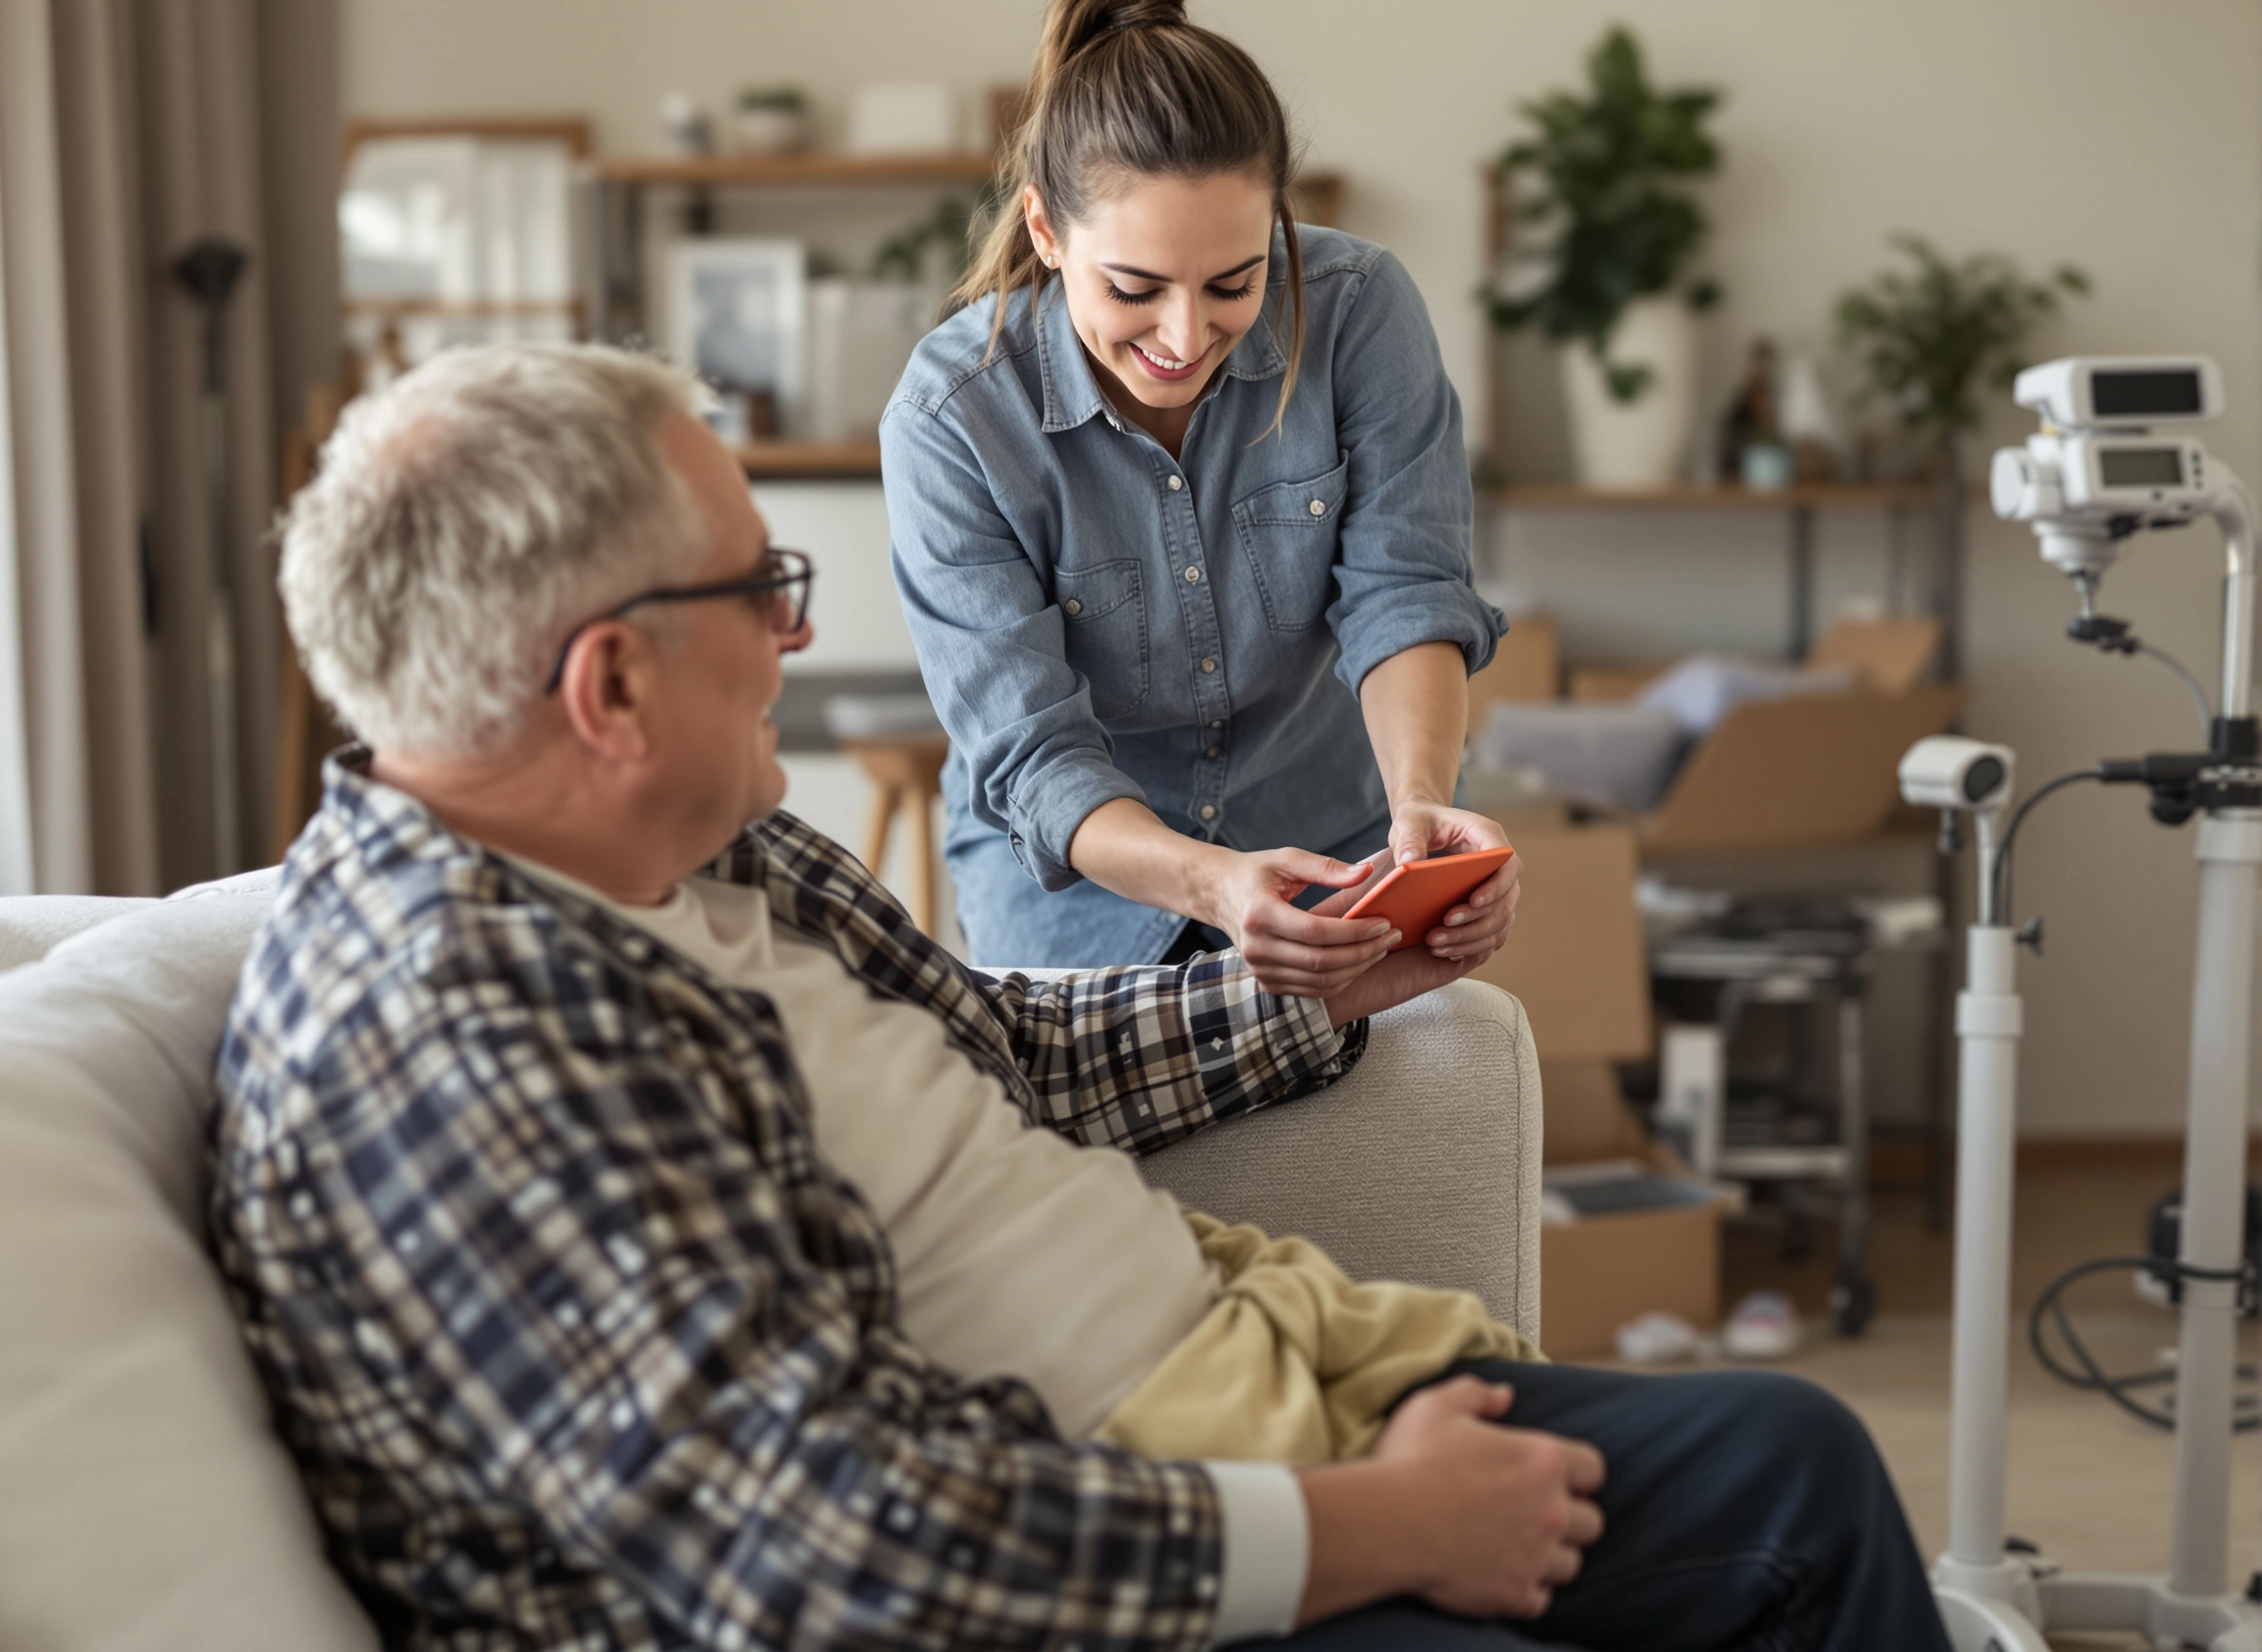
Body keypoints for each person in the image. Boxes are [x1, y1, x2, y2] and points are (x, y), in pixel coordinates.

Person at [214, 343, 1951, 1651]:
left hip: (1215, 1401)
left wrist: (1317, 984)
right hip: (1069, 1558)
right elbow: (823, 1550)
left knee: (1793, 1462)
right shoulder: (457, 1042)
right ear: (608, 684)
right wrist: (1370, 1530)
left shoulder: (702, 851)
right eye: (762, 589)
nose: (795, 637)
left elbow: (1004, 1045)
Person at [884, 0, 1517, 989]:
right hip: (1076, 894)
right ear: (1044, 227)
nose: (1185, 333)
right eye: (1134, 288)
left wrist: (1419, 803)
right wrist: (1212, 884)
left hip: (1335, 849)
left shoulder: (1361, 311)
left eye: (1237, 281)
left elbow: (1406, 593)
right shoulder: (954, 418)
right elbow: (1033, 754)